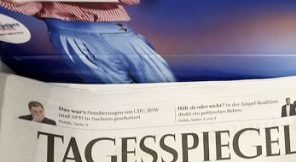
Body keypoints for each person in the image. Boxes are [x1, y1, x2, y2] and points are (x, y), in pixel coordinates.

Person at [0, 0, 175, 83]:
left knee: (163, 84)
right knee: (114, 94)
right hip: (68, 32)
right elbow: (19, 3)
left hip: (118, 30)